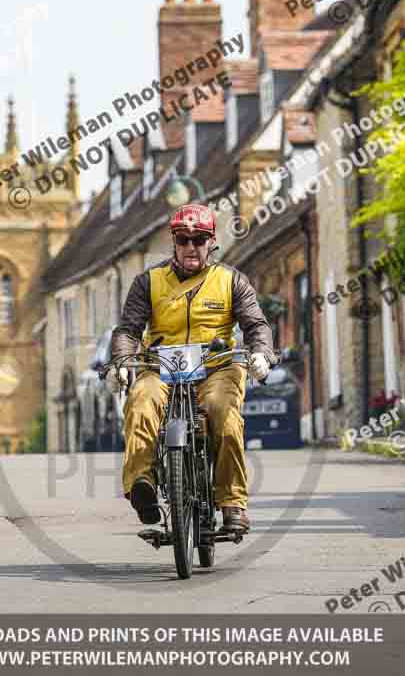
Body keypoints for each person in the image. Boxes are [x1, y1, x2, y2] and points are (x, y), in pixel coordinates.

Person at [107, 204, 278, 533]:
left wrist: (261, 353)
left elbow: (256, 324)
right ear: (174, 241)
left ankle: (232, 502)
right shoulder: (148, 282)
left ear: (210, 242)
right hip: (161, 367)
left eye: (198, 239)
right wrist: (121, 363)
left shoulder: (232, 281)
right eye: (183, 239)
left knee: (222, 412)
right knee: (141, 402)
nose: (190, 247)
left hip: (217, 368)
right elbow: (128, 330)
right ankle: (142, 485)